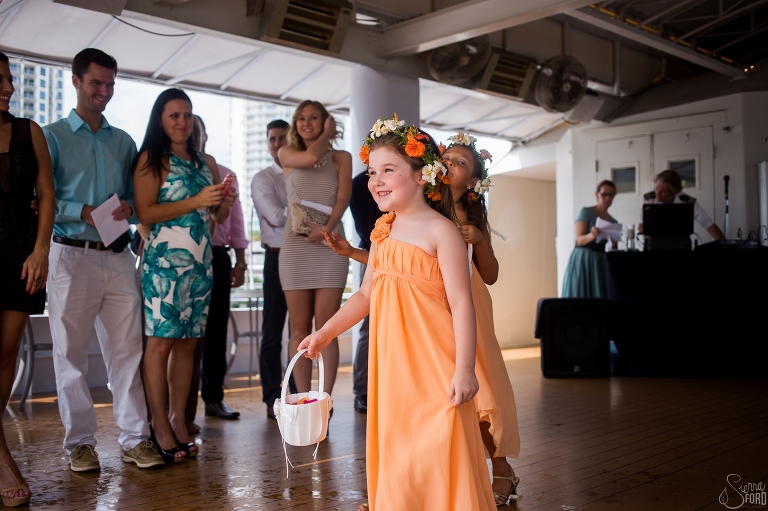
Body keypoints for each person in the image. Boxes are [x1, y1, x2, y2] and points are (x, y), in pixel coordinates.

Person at [305, 116, 495, 511]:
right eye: (372, 172)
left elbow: (462, 303)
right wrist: (325, 332)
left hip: (436, 362)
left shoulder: (442, 231)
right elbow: (365, 295)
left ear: (423, 176)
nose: (376, 180)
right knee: (401, 444)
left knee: (438, 443)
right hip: (393, 365)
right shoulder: (382, 231)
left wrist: (465, 369)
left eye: (388, 170)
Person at [43, 48, 164, 472]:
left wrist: (129, 207)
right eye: (96, 83)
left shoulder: (123, 141)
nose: (105, 92)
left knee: (127, 351)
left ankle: (135, 439)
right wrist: (82, 211)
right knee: (70, 355)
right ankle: (79, 444)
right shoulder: (52, 136)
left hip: (117, 256)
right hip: (70, 255)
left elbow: (133, 196)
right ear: (76, 81)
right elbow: (39, 199)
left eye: (111, 84)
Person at [133, 88, 234, 463]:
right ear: (160, 120)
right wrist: (196, 201)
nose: (182, 122)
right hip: (164, 264)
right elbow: (145, 213)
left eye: (187, 115)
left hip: (201, 263)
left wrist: (224, 203)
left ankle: (178, 419)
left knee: (189, 344)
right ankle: (159, 424)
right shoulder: (151, 159)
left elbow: (216, 218)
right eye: (174, 115)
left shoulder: (206, 161)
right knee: (160, 344)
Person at [438, 133, 522, 506]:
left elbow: (490, 275)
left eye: (461, 163)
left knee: (482, 389)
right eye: (446, 158)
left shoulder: (472, 219)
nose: (450, 164)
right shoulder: (422, 208)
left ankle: (501, 468)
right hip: (430, 305)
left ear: (473, 180)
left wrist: (481, 241)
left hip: (468, 304)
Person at [0, 51, 54, 507]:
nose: (9, 88)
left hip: (20, 255)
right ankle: (2, 459)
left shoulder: (28, 130)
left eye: (10, 79)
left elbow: (47, 193)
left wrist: (41, 250)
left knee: (6, 354)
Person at [277, 101, 351, 398]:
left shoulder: (342, 158)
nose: (307, 123)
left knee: (326, 327)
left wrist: (327, 230)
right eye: (301, 118)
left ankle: (324, 402)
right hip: (295, 247)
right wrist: (328, 133)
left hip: (330, 246)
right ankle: (303, 401)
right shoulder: (287, 153)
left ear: (325, 122)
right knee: (298, 328)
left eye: (314, 118)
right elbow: (309, 157)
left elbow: (343, 199)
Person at [185, 115, 247, 426]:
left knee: (216, 331)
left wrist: (241, 262)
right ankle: (181, 409)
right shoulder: (177, 173)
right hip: (183, 256)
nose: (193, 136)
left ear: (205, 136)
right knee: (184, 334)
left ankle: (213, 398)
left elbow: (235, 222)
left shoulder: (225, 175)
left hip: (218, 256)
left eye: (197, 131)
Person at [250, 119, 290, 419]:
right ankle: (271, 399)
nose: (277, 143)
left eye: (282, 137)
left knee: (302, 332)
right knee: (272, 332)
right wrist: (309, 210)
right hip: (276, 258)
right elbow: (275, 217)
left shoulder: (303, 173)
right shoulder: (263, 178)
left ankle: (300, 395)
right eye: (272, 139)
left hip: (305, 256)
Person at [561, 180, 619, 298]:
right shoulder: (586, 212)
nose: (607, 198)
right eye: (604, 194)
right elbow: (579, 240)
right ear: (597, 195)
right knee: (580, 293)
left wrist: (613, 242)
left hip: (600, 260)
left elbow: (613, 249)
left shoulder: (613, 221)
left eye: (611, 195)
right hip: (583, 258)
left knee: (598, 294)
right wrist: (592, 235)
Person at [638, 169, 725, 240]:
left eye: (663, 191)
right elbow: (641, 226)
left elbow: (708, 224)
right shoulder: (648, 199)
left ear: (674, 192)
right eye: (656, 188)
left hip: (680, 245)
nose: (657, 193)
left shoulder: (687, 202)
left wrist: (724, 246)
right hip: (654, 244)